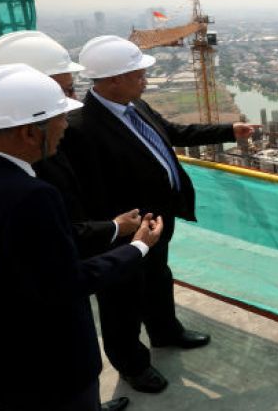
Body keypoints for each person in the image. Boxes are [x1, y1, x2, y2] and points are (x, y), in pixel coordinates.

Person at [0, 63, 164, 411]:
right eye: (60, 117)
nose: (65, 126)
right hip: (43, 370)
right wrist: (138, 248)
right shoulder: (30, 195)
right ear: (30, 133)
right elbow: (66, 285)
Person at [60, 35, 256, 394]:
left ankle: (165, 331)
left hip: (157, 223)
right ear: (113, 79)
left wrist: (228, 130)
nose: (145, 79)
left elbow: (174, 133)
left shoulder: (135, 106)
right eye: (138, 74)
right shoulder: (81, 128)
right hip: (123, 233)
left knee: (157, 278)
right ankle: (133, 365)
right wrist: (117, 231)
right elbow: (88, 194)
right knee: (121, 300)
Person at [0, 30, 143, 257]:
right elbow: (56, 246)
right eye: (65, 91)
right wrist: (119, 232)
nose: (73, 99)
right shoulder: (31, 178)